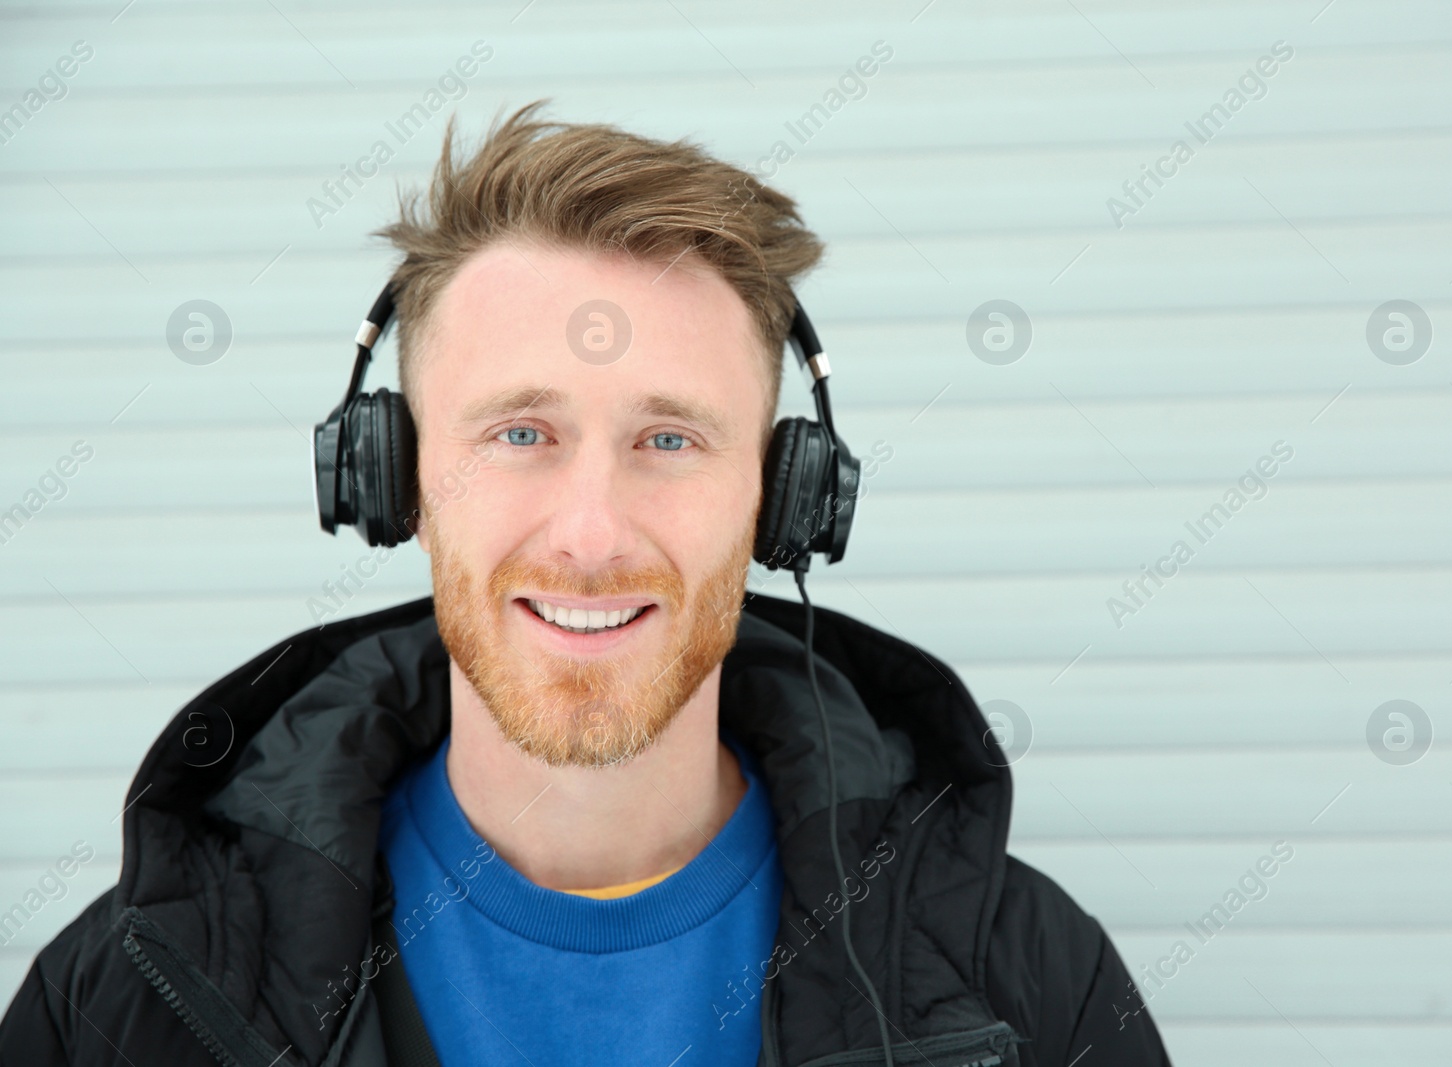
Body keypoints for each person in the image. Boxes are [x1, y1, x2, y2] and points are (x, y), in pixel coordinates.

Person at [0, 101, 1169, 1067]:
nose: (593, 532)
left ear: (783, 494)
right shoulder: (125, 996)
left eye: (670, 440)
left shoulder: (1032, 982)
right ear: (393, 474)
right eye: (519, 433)